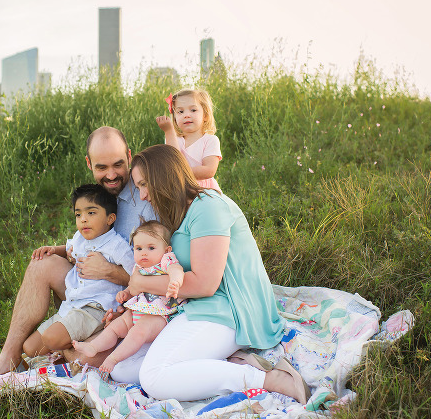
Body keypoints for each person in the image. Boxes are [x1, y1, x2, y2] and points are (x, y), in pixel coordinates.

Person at [111, 144, 310, 405]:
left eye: (145, 184)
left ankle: (269, 379)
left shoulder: (209, 207)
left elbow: (205, 284)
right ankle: (224, 361)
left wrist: (140, 282)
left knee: (153, 378)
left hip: (231, 308)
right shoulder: (179, 212)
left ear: (165, 176)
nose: (144, 195)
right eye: (139, 187)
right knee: (120, 368)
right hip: (196, 307)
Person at [0, 127, 157, 378]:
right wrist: (63, 251)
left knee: (85, 358)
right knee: (42, 263)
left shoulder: (145, 199)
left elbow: (154, 277)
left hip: (122, 304)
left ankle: (69, 348)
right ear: (89, 163)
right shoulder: (93, 197)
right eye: (101, 167)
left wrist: (109, 271)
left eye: (118, 165)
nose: (111, 175)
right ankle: (9, 357)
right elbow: (84, 244)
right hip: (85, 292)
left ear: (129, 156)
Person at [23, 184, 135, 359]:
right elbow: (69, 247)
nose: (83, 219)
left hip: (96, 308)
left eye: (91, 213)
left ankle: (86, 341)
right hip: (72, 305)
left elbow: (135, 275)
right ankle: (67, 348)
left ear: (110, 218)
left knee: (52, 339)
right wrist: (53, 249)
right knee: (30, 349)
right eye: (78, 214)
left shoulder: (117, 246)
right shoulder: (80, 237)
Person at [72, 220, 184, 373]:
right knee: (115, 327)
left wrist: (175, 282)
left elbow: (176, 269)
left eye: (151, 248)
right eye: (139, 248)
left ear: (166, 250)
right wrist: (126, 293)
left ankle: (113, 359)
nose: (144, 252)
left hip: (159, 314)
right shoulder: (139, 267)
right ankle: (93, 347)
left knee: (138, 331)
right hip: (138, 309)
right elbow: (134, 287)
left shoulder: (165, 261)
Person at [156, 89, 222, 191]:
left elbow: (209, 170)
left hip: (204, 191)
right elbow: (174, 160)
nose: (186, 115)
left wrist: (180, 173)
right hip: (180, 190)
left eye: (193, 110)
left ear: (205, 115)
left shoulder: (210, 140)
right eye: (180, 111)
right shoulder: (173, 139)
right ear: (175, 118)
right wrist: (169, 131)